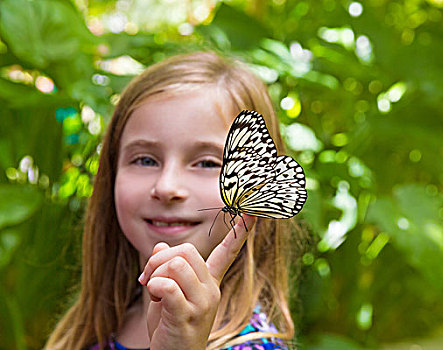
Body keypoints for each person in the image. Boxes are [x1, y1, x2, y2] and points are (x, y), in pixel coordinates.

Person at [45, 51, 299, 350]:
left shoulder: (254, 345)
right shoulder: (92, 329)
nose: (167, 187)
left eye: (206, 163)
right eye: (145, 160)